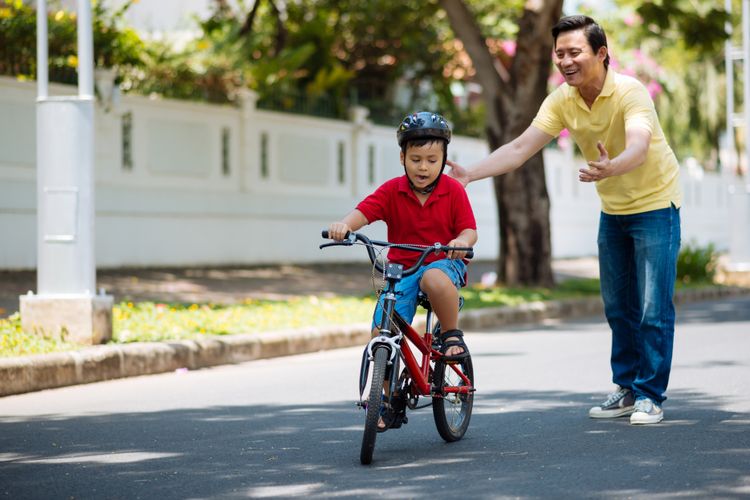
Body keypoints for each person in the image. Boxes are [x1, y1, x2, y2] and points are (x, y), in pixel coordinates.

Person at [448, 15, 681, 425]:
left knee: (652, 307)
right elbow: (521, 147)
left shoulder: (630, 91)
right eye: (560, 54)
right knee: (617, 306)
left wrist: (614, 167)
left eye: (575, 52)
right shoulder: (562, 100)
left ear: (601, 54)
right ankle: (626, 389)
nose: (566, 61)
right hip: (614, 211)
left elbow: (641, 145)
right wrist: (469, 174)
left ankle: (649, 395)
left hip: (656, 205)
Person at [328, 112, 478, 430]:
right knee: (380, 329)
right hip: (402, 269)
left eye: (432, 159)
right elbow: (363, 212)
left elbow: (469, 231)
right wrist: (344, 226)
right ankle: (386, 402)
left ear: (443, 160)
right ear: (402, 157)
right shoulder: (392, 190)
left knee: (433, 277)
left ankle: (451, 336)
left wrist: (459, 242)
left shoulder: (453, 191)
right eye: (416, 159)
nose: (423, 167)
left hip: (442, 261)